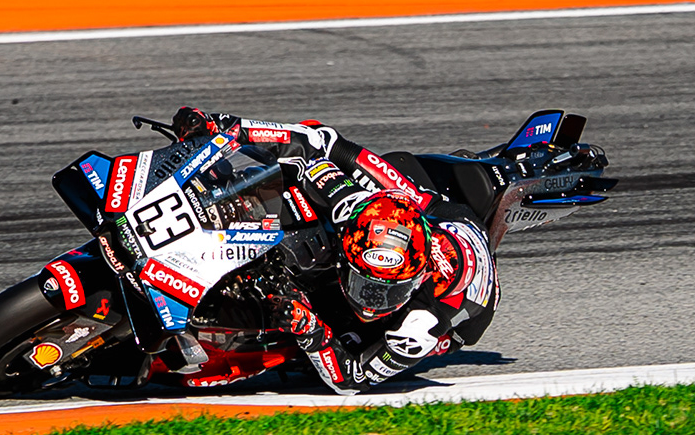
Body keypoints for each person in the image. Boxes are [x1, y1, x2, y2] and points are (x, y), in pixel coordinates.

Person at [168, 106, 498, 392]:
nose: (368, 302)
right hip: (434, 212)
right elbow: (314, 140)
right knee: (356, 158)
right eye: (362, 283)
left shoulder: (421, 325)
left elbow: (353, 379)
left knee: (339, 333)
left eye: (385, 292)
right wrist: (221, 126)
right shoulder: (353, 202)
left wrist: (310, 330)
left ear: (416, 279)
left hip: (467, 312)